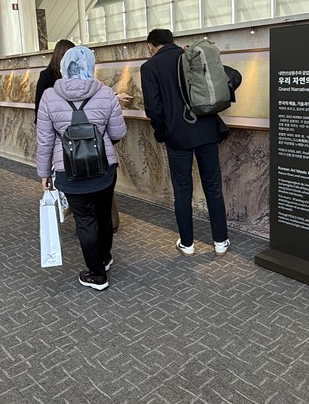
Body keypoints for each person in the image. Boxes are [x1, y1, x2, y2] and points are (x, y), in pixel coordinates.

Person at [36, 46, 126, 291]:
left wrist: (44, 172)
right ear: (91, 66)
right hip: (104, 168)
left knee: (85, 220)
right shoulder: (106, 93)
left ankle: (96, 274)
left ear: (64, 67)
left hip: (68, 170)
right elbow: (118, 132)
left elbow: (44, 141)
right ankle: (105, 258)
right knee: (104, 214)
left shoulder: (49, 96)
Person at [140, 28, 231, 257]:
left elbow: (154, 108)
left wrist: (162, 132)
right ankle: (221, 241)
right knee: (213, 186)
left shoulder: (150, 67)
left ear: (151, 46)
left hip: (177, 136)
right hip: (207, 130)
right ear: (172, 41)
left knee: (182, 190)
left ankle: (187, 244)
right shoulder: (190, 55)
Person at [34, 39, 75, 124]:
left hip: (67, 121)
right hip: (54, 122)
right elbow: (39, 103)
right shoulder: (46, 75)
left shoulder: (75, 74)